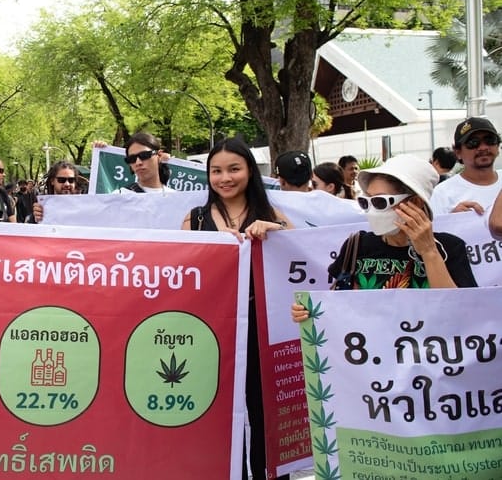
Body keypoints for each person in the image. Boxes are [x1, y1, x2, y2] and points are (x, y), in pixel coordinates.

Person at [181, 138, 291, 480]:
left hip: (261, 331)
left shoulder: (271, 216)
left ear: (249, 172)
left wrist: (276, 233)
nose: (224, 178)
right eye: (216, 171)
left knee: (264, 415)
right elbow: (182, 273)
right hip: (213, 335)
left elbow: (300, 259)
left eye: (234, 169)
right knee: (218, 417)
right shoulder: (195, 219)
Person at [293, 155, 476, 320]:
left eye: (380, 202)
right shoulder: (358, 245)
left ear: (415, 203)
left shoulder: (450, 248)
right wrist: (309, 313)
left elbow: (462, 313)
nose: (372, 210)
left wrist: (429, 252)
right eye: (366, 201)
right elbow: (339, 306)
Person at [430, 117, 502, 216]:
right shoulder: (442, 194)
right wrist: (452, 220)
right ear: (458, 152)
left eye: (490, 140)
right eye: (473, 143)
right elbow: (432, 230)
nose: (483, 147)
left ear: (497, 146)